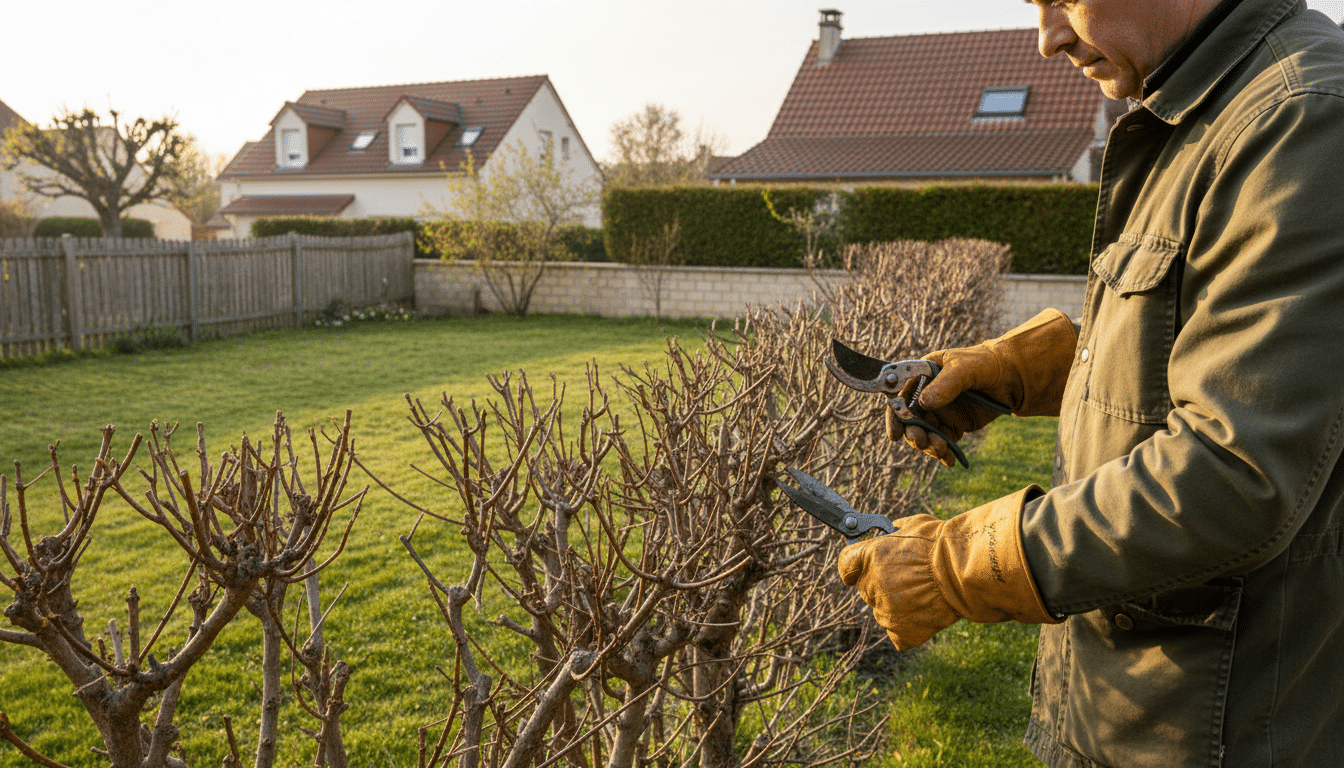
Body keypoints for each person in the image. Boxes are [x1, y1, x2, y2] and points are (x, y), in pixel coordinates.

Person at [837, 0, 1344, 765]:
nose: (1047, 40)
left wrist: (957, 566)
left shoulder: (1300, 121)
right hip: (1143, 705)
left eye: (1064, 0)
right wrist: (1022, 369)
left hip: (1216, 727)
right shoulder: (1203, 107)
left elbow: (1235, 474)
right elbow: (1193, 341)